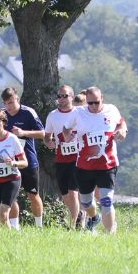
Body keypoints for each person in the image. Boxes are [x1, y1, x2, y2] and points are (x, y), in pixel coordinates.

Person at [71, 86, 127, 233]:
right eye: (90, 103)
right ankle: (95, 217)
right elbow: (66, 128)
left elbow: (121, 122)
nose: (93, 106)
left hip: (107, 164)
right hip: (84, 167)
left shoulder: (111, 110)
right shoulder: (78, 112)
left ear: (102, 98)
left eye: (96, 102)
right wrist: (67, 135)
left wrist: (122, 130)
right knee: (86, 203)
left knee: (106, 201)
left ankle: (110, 234)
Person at [1, 87, 46, 228]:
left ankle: (39, 227)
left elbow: (42, 133)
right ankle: (15, 228)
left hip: (28, 161)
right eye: (5, 103)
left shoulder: (28, 112)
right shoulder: (1, 114)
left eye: (11, 102)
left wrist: (23, 133)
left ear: (17, 99)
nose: (8, 106)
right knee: (10, 196)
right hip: (9, 162)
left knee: (32, 194)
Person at [44, 85, 82, 227]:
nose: (61, 99)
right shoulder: (53, 115)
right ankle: (78, 215)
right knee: (65, 195)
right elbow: (47, 136)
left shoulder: (79, 113)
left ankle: (73, 225)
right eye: (59, 96)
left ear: (72, 97)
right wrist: (48, 142)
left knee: (73, 193)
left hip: (77, 159)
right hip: (61, 159)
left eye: (65, 96)